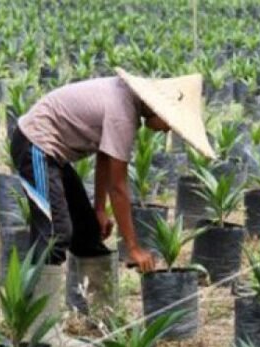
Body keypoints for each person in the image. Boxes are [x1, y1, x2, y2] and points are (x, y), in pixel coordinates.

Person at [11, 69, 214, 273]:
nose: (167, 130)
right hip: (35, 145)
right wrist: (133, 248)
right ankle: (32, 302)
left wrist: (99, 209)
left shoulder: (127, 102)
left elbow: (105, 157)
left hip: (50, 153)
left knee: (88, 233)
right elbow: (118, 188)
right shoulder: (124, 115)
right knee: (55, 235)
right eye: (170, 124)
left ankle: (97, 304)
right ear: (160, 110)